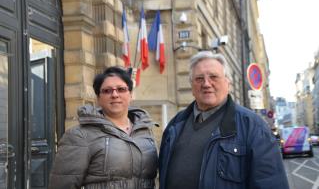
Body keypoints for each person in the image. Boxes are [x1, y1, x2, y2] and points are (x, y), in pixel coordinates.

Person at [159, 51, 289, 189]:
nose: (206, 84)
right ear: (192, 86)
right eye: (199, 79)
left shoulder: (254, 128)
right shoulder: (175, 126)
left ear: (228, 84)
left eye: (213, 77)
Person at [49, 66, 158, 189]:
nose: (115, 94)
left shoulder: (145, 131)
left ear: (131, 94)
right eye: (107, 91)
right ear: (98, 98)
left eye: (121, 89)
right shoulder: (80, 136)